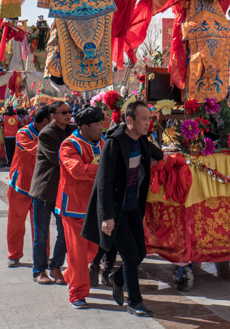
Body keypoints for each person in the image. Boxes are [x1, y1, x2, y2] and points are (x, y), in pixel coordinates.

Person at [83, 101, 163, 317]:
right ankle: (135, 303)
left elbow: (159, 155)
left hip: (133, 208)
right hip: (116, 211)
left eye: (149, 118)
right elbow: (104, 183)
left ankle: (117, 280)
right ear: (129, 120)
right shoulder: (115, 143)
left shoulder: (141, 140)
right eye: (144, 119)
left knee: (141, 253)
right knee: (129, 257)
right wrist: (107, 216)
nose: (148, 123)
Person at [170, 0, 230, 103]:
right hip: (194, 24)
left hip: (217, 26)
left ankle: (213, 91)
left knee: (216, 59)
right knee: (194, 58)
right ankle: (192, 96)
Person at [56, 106, 106, 309]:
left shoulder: (102, 142)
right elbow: (77, 170)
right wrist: (105, 169)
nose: (101, 128)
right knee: (77, 252)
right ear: (84, 127)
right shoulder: (69, 145)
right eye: (97, 125)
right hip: (74, 206)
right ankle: (77, 294)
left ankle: (70, 274)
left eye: (102, 124)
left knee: (92, 250)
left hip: (94, 206)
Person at [29, 100, 74, 285]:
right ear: (53, 116)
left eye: (69, 111)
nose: (68, 115)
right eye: (63, 112)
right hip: (44, 189)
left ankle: (55, 266)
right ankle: (38, 270)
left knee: (64, 233)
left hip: (62, 191)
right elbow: (60, 159)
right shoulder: (47, 133)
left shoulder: (73, 131)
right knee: (41, 234)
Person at [7, 106, 49, 268]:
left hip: (40, 185)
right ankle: (14, 254)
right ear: (45, 121)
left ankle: (43, 256)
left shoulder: (50, 133)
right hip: (21, 185)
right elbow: (36, 150)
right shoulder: (23, 133)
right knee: (16, 223)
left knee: (41, 224)